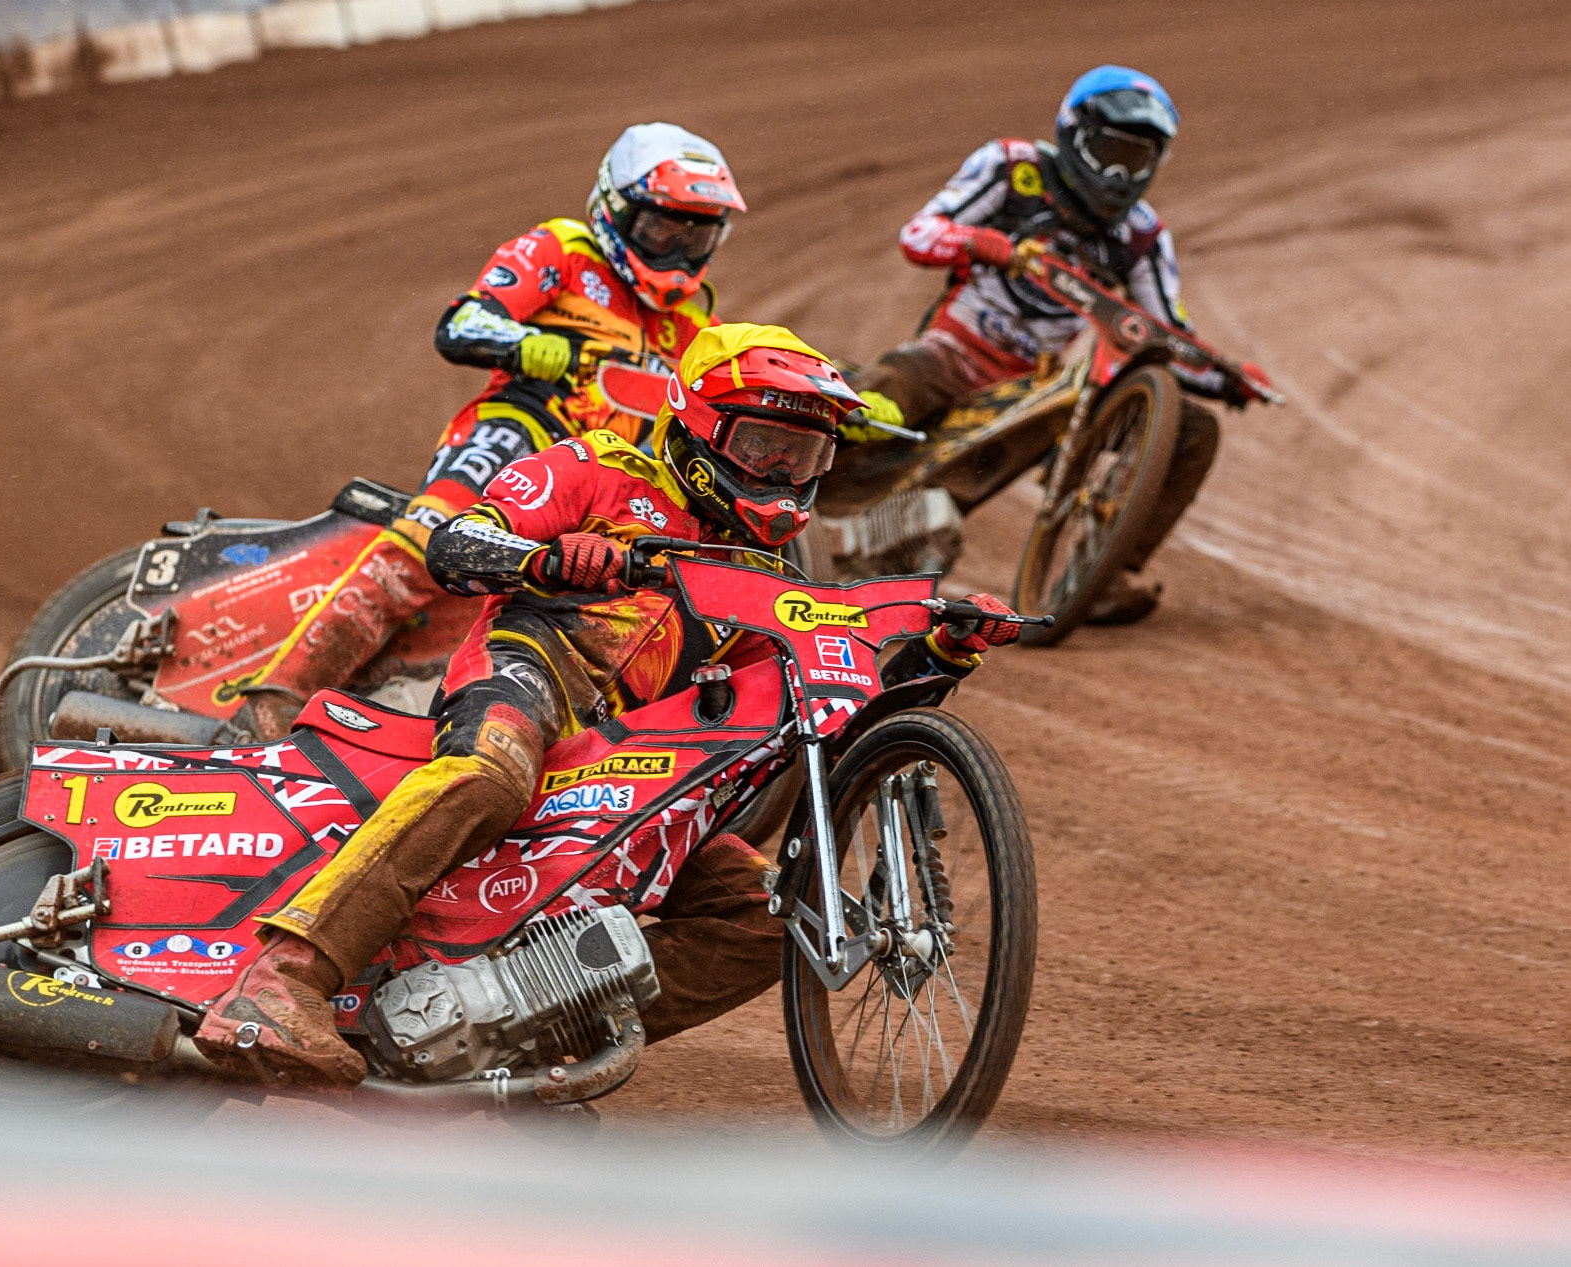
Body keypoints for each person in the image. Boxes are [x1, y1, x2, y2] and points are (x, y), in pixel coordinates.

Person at [193, 324, 1022, 1086]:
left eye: (802, 458)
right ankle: (282, 980)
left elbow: (836, 726)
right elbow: (453, 544)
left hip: (638, 758)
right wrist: (547, 561)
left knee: (774, 920)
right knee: (489, 774)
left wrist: (939, 656)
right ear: (696, 427)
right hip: (530, 671)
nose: (778, 475)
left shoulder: (768, 581)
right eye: (761, 446)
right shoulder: (595, 465)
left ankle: (520, 1049)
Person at [241, 122, 751, 738]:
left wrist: (847, 405)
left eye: (696, 232)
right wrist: (528, 343)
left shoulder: (694, 322)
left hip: (597, 480)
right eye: (663, 227)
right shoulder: (563, 250)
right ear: (616, 210)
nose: (676, 248)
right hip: (517, 430)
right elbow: (460, 323)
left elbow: (733, 394)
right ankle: (275, 703)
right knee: (423, 541)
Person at [851, 66, 1269, 625]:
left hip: (1044, 388)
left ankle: (1105, 574)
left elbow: (1164, 336)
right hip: (954, 350)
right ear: (1074, 134)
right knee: (879, 400)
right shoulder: (1011, 167)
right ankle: (773, 493)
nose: (1122, 174)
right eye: (1112, 151)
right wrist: (986, 244)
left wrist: (1228, 377)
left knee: (1194, 430)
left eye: (1138, 159)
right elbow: (919, 234)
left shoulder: (1142, 235)